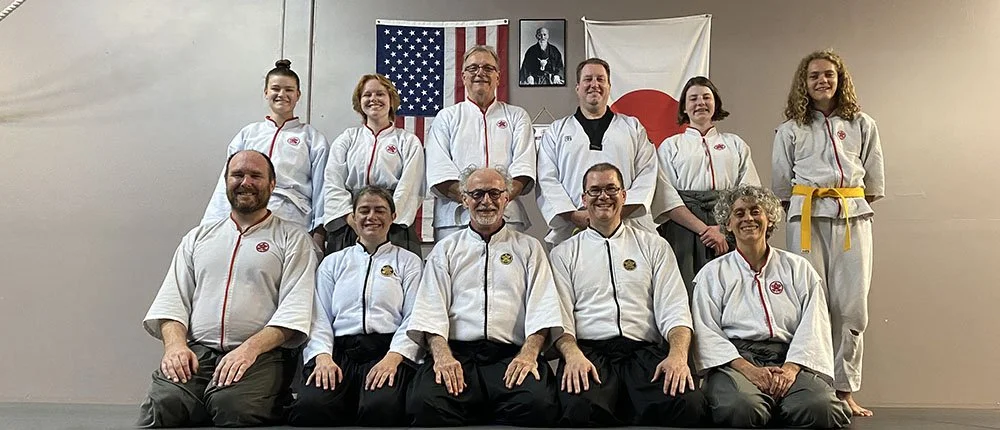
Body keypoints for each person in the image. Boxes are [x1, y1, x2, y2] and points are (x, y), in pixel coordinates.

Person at [138, 150, 317, 427]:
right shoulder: (198, 237)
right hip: (199, 351)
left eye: (256, 175)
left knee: (232, 407)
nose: (246, 182)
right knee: (164, 404)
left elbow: (295, 311)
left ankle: (243, 398)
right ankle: (201, 397)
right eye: (238, 175)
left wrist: (248, 350)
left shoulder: (294, 239)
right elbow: (172, 301)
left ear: (272, 184)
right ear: (226, 181)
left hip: (261, 354)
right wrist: (175, 347)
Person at [549, 163, 708, 427]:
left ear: (624, 195)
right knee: (580, 409)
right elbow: (560, 318)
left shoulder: (655, 246)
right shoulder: (563, 254)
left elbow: (675, 310)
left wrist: (678, 356)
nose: (604, 196)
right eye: (595, 190)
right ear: (584, 199)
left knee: (688, 404)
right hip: (590, 354)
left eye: (611, 189)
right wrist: (572, 355)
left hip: (644, 353)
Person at [405, 166, 565, 426]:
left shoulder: (529, 248)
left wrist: (528, 355)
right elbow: (430, 309)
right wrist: (443, 357)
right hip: (458, 355)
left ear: (506, 198)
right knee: (424, 403)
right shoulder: (446, 249)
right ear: (464, 199)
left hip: (510, 355)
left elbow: (543, 308)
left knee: (538, 405)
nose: (486, 201)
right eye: (477, 194)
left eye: (494, 193)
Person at [772, 49, 885, 417]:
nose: (822, 80)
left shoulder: (863, 124)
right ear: (804, 83)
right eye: (814, 75)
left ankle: (844, 388)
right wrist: (810, 205)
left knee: (853, 308)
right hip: (806, 218)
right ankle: (815, 388)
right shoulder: (790, 129)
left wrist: (844, 202)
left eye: (829, 74)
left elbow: (872, 184)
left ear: (840, 79)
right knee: (809, 302)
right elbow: (781, 188)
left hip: (852, 217)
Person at [692, 184, 852, 428]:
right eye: (739, 213)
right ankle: (770, 404)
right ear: (728, 224)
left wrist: (790, 369)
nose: (748, 218)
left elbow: (813, 325)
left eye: (756, 211)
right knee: (741, 407)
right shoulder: (712, 274)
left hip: (790, 356)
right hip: (735, 361)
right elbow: (706, 331)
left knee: (823, 408)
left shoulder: (798, 269)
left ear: (769, 219)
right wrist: (748, 369)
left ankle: (781, 402)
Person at [287, 186, 422, 426]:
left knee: (381, 409)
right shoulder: (333, 263)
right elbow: (319, 316)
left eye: (380, 210)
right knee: (311, 408)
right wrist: (322, 356)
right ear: (353, 217)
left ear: (393, 216)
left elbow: (413, 317)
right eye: (364, 210)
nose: (372, 217)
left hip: (385, 351)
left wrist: (394, 357)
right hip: (339, 352)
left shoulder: (408, 262)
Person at [201, 59, 330, 250]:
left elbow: (321, 190)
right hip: (245, 212)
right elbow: (227, 182)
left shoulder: (312, 138)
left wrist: (319, 234)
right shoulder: (248, 134)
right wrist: (211, 224)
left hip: (291, 217)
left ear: (298, 95)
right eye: (275, 89)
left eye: (289, 90)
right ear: (266, 92)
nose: (282, 94)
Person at [536, 58, 658, 246]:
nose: (594, 84)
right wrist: (574, 215)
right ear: (578, 88)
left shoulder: (633, 128)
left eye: (601, 79)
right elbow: (546, 179)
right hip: (572, 230)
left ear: (609, 87)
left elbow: (647, 174)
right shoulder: (556, 131)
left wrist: (615, 214)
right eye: (588, 79)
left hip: (627, 227)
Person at [655, 76, 761, 295]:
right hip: (684, 229)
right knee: (685, 290)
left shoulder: (735, 144)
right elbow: (666, 197)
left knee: (732, 288)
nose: (700, 103)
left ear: (716, 103)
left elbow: (749, 192)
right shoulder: (671, 146)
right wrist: (704, 229)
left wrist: (722, 228)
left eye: (706, 97)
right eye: (693, 98)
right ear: (684, 107)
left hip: (729, 225)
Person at [425, 45, 536, 240]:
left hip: (506, 216)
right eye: (473, 68)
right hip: (455, 220)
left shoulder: (517, 116)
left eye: (488, 68)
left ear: (498, 77)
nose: (480, 73)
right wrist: (474, 202)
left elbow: (523, 168)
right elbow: (439, 171)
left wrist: (495, 203)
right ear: (463, 77)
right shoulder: (446, 117)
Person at [321, 74, 425, 256]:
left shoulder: (408, 141)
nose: (373, 99)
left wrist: (385, 219)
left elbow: (410, 185)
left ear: (391, 100)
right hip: (351, 223)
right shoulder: (347, 139)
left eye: (380, 94)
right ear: (359, 101)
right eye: (367, 95)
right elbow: (333, 181)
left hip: (392, 225)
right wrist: (352, 218)